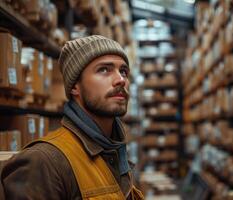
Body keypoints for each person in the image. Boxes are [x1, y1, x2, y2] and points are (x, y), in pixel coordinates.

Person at [1, 35, 144, 200]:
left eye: (124, 71)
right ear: (75, 86)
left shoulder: (114, 153)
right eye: (104, 70)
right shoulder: (45, 161)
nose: (120, 80)